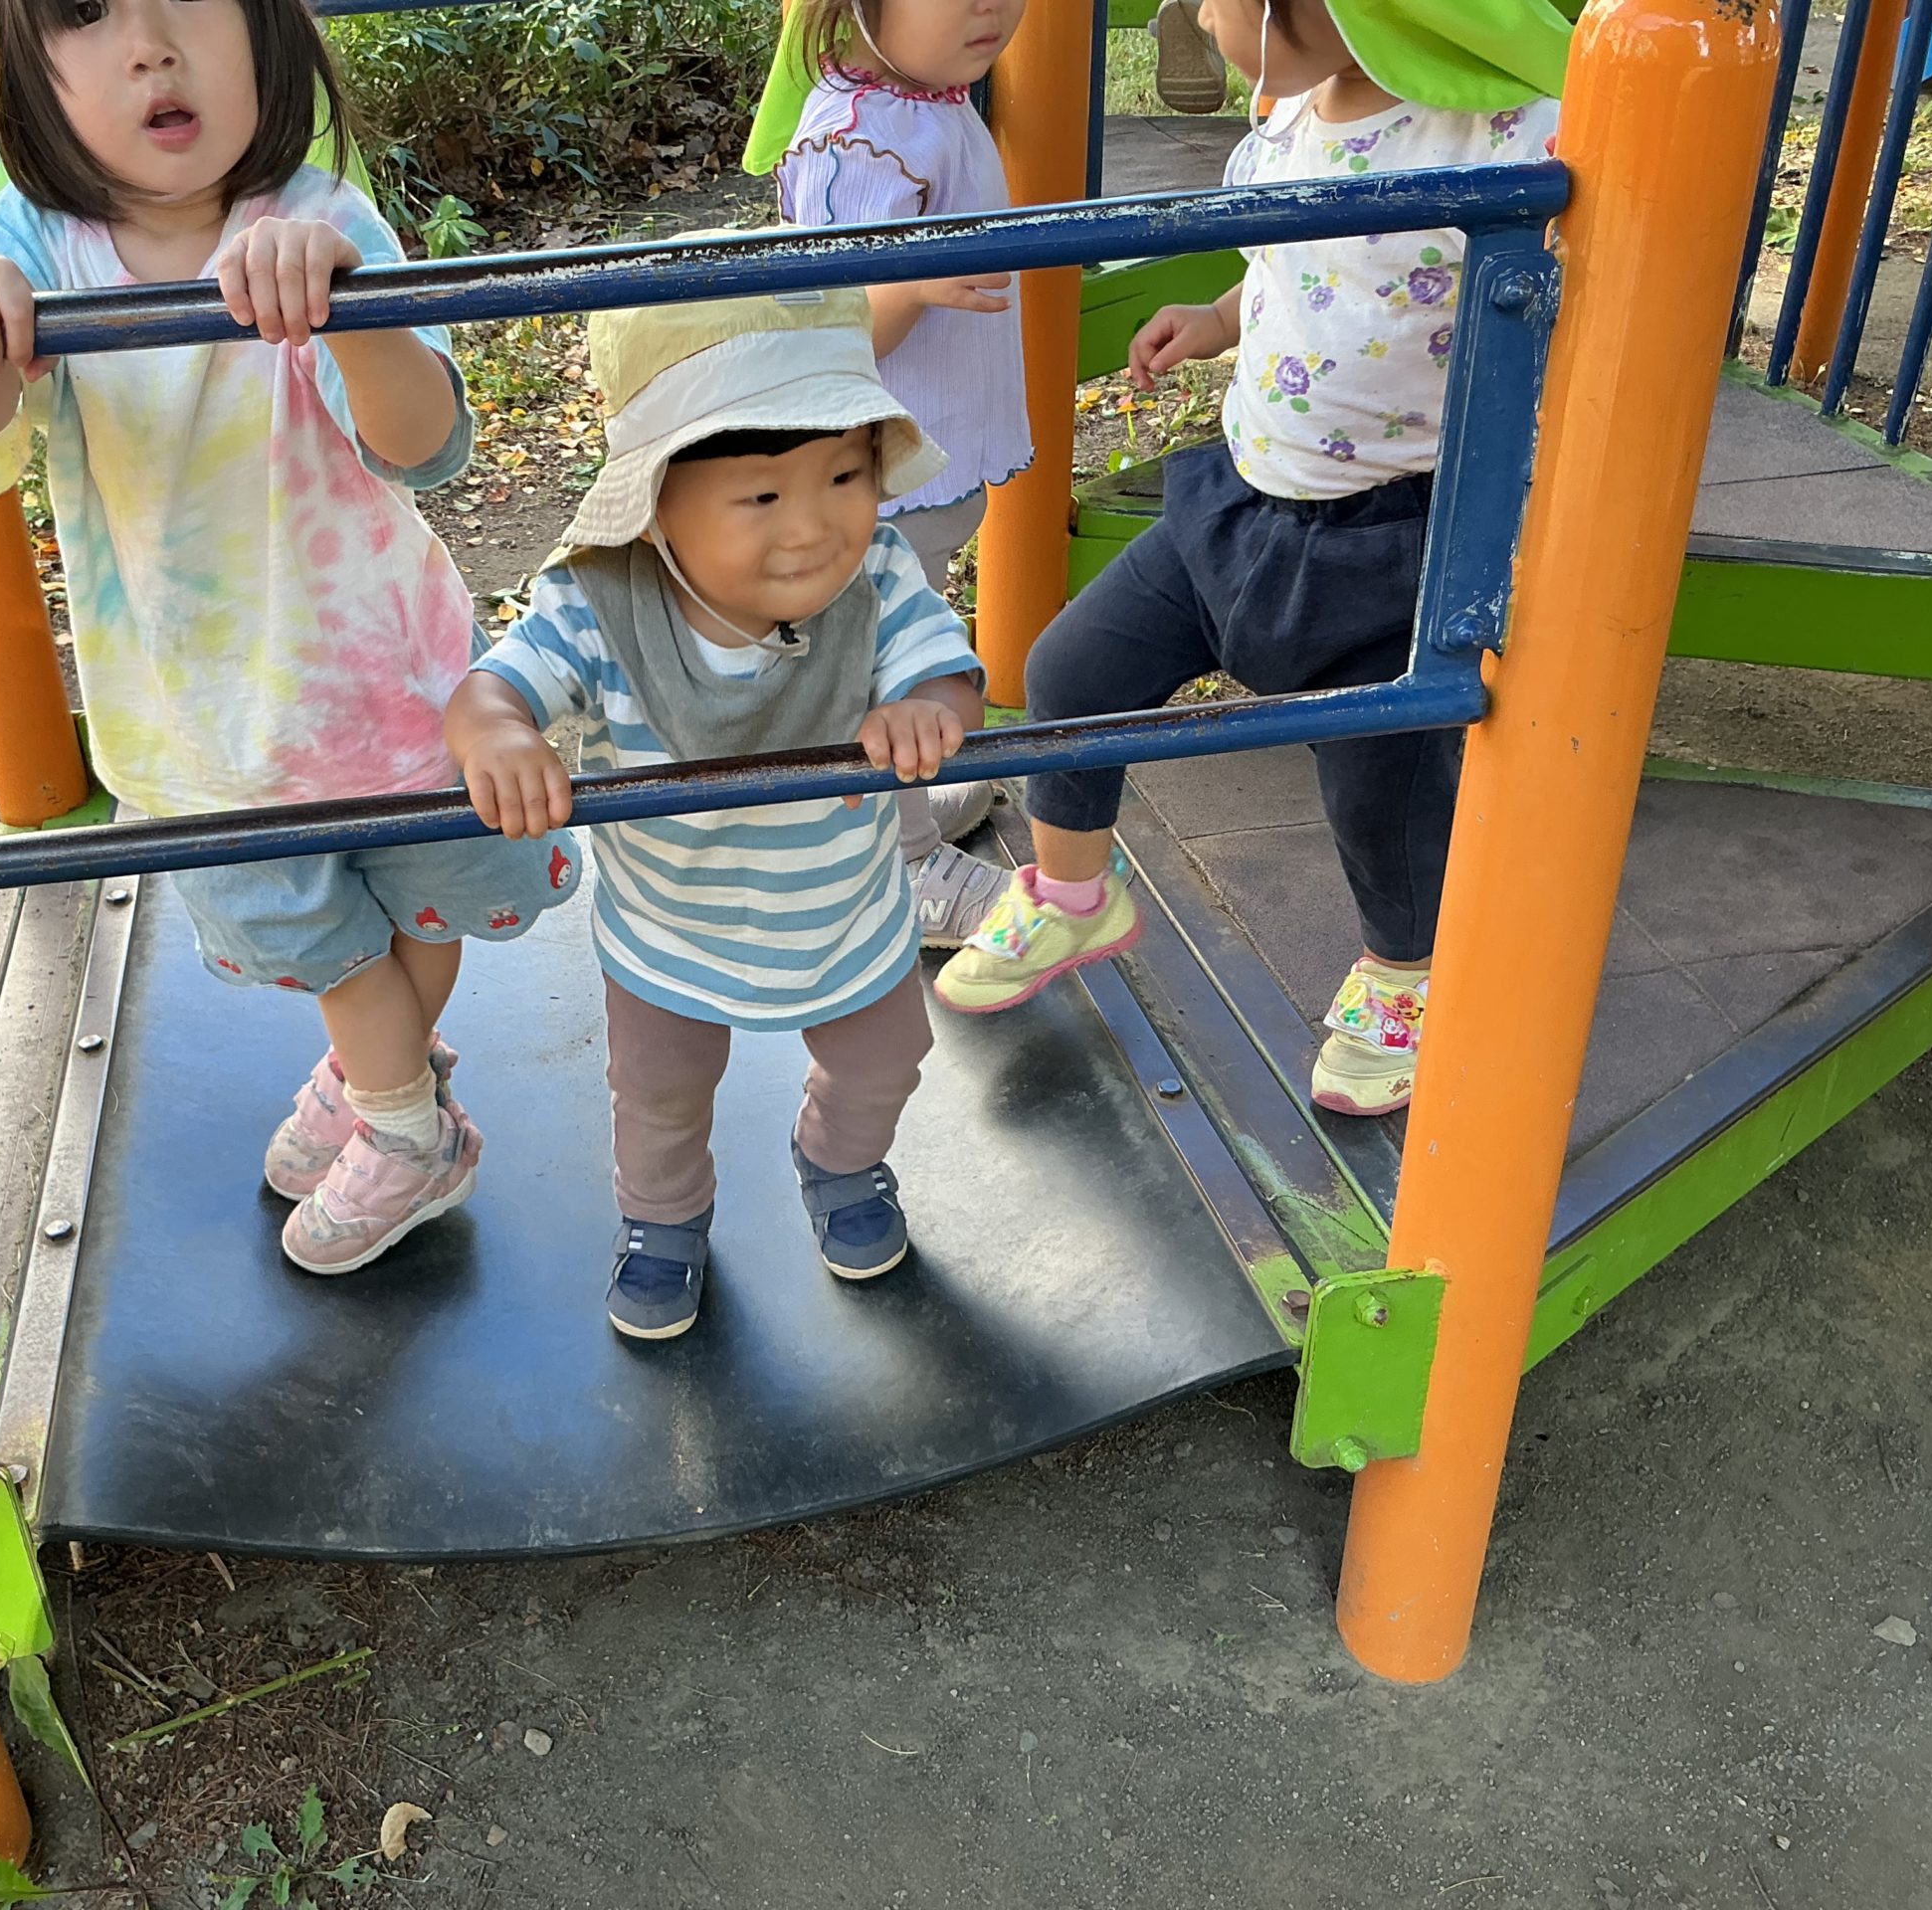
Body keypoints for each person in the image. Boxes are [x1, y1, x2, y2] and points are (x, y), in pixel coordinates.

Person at [0, 0, 579, 1274]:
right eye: (89, 14)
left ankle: (387, 1098)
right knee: (319, 943)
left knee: (421, 908)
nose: (151, 45)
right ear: (29, 75)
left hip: (386, 683)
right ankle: (404, 1115)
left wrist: (351, 309)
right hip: (197, 713)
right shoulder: (33, 244)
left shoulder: (322, 216)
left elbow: (423, 448)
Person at [933, 0, 1559, 1119]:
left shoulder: (1504, 132)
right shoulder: (1291, 110)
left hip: (1391, 530)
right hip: (1241, 491)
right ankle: (1073, 895)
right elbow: (1294, 265)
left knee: (1381, 784)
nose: (1195, 14)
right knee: (1072, 673)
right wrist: (1220, 318)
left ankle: (1404, 977)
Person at [447, 287, 987, 1341]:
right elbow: (491, 690)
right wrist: (500, 738)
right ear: (655, 508)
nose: (813, 527)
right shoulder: (602, 600)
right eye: (761, 495)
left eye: (844, 476)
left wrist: (929, 709)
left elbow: (948, 673)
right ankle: (663, 1221)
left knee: (884, 1058)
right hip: (668, 931)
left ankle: (840, 1165)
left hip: (845, 913)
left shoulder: (876, 575)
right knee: (658, 1092)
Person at [772, 0, 1030, 950]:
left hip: (931, 450)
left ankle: (908, 802)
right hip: (875, 468)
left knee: (914, 633)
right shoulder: (859, 137)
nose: (990, 6)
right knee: (880, 667)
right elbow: (825, 324)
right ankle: (903, 865)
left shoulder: (930, 103)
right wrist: (912, 282)